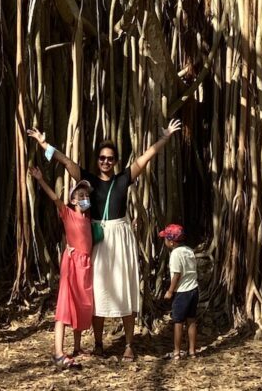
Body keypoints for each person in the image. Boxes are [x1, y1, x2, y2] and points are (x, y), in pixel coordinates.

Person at [26, 119, 182, 361]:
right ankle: (98, 343)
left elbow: (145, 158)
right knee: (97, 291)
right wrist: (43, 143)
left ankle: (129, 344)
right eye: (102, 158)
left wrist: (165, 138)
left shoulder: (123, 179)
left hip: (120, 238)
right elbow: (65, 162)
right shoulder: (88, 179)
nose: (106, 162)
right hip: (96, 239)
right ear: (97, 160)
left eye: (110, 158)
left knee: (125, 289)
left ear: (116, 161)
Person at [29, 166, 94, 370]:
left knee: (82, 305)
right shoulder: (67, 213)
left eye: (86, 195)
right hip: (72, 263)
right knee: (65, 306)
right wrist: (40, 179)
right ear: (73, 200)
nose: (84, 198)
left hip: (86, 265)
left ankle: (76, 347)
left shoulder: (89, 220)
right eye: (80, 195)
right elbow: (55, 198)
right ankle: (58, 353)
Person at [160, 224, 199, 360]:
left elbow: (176, 274)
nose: (164, 242)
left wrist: (170, 291)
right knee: (191, 320)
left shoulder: (175, 254)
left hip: (182, 292)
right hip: (194, 289)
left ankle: (176, 352)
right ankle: (192, 351)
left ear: (171, 242)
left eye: (165, 239)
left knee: (178, 322)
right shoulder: (189, 250)